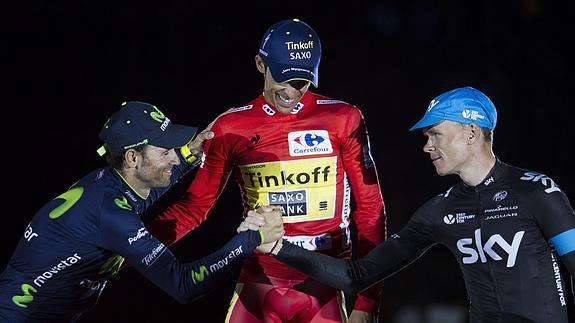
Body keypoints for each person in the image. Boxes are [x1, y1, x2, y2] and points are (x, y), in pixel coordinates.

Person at [254, 86, 575, 323]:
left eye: (435, 134)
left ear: (472, 132)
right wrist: (279, 248)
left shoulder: (537, 192)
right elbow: (358, 275)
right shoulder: (441, 210)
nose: (427, 146)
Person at [147, 19, 386, 322]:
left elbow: (370, 210)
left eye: (301, 81)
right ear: (260, 64)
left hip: (325, 284)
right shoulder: (231, 127)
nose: (291, 92)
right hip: (259, 282)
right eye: (283, 79)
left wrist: (367, 301)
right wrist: (128, 251)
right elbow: (194, 209)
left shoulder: (342, 118)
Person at [0, 101, 284, 322]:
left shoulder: (110, 184)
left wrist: (189, 155)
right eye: (165, 152)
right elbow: (184, 285)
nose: (174, 155)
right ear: (132, 157)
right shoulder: (111, 215)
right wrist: (251, 239)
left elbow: (145, 192)